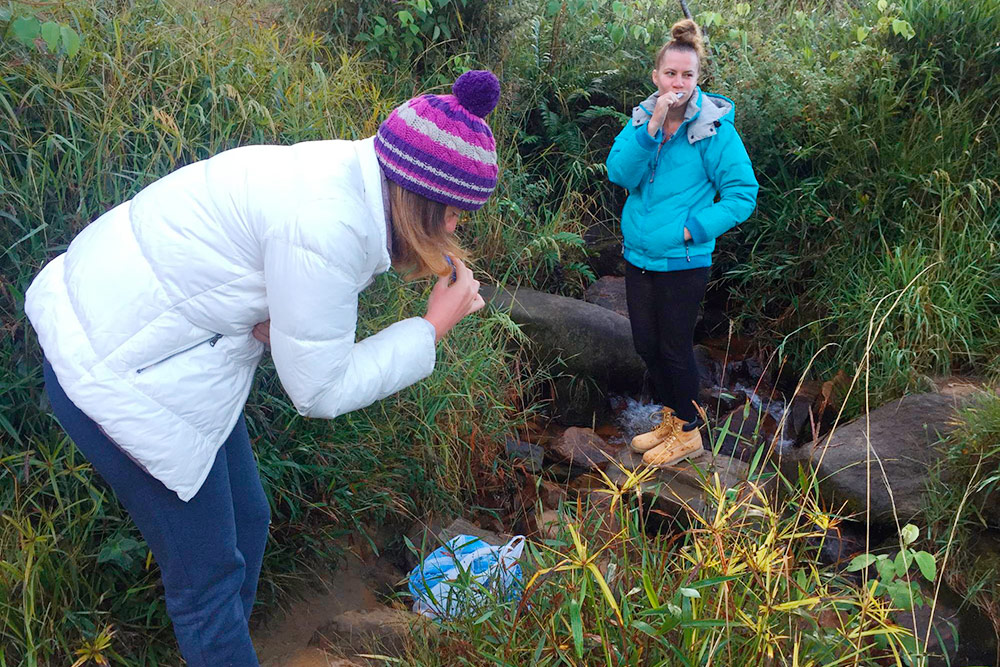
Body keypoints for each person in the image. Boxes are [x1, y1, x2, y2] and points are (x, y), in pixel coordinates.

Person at [24, 70, 502, 665]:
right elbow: (318, 389)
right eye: (455, 213)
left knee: (249, 519)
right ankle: (221, 647)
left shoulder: (346, 173)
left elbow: (271, 283)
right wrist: (431, 327)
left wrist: (283, 325)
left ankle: (224, 651)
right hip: (118, 372)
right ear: (421, 199)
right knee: (207, 583)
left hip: (157, 341)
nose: (457, 228)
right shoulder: (328, 224)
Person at [605, 20, 758, 467]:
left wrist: (693, 228)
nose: (678, 83)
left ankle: (689, 433)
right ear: (656, 77)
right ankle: (672, 420)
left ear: (697, 79)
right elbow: (619, 174)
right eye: (671, 74)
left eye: (687, 75)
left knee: (673, 348)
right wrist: (651, 125)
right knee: (646, 346)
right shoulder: (641, 120)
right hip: (639, 256)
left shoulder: (713, 131)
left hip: (684, 260)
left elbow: (742, 194)